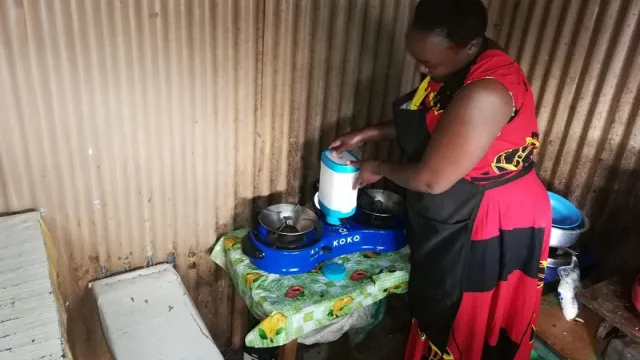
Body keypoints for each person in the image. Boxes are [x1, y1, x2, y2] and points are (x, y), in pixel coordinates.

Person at [329, 0, 551, 359]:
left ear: (471, 46)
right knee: (441, 303)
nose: (420, 68)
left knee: (460, 314)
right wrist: (366, 133)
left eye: (429, 63)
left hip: (494, 216)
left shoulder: (485, 93)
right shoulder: (461, 67)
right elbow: (437, 123)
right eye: (417, 57)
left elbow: (432, 180)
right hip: (471, 200)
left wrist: (379, 167)